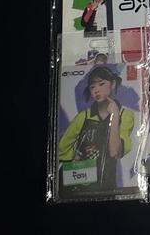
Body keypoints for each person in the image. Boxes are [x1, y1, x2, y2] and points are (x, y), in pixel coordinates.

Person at [58, 65, 135, 193]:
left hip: (107, 185)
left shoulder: (125, 115)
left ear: (113, 84)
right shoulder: (83, 116)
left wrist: (115, 117)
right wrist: (74, 157)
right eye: (92, 87)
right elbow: (62, 148)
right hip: (79, 182)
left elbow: (115, 152)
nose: (96, 90)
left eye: (101, 84)